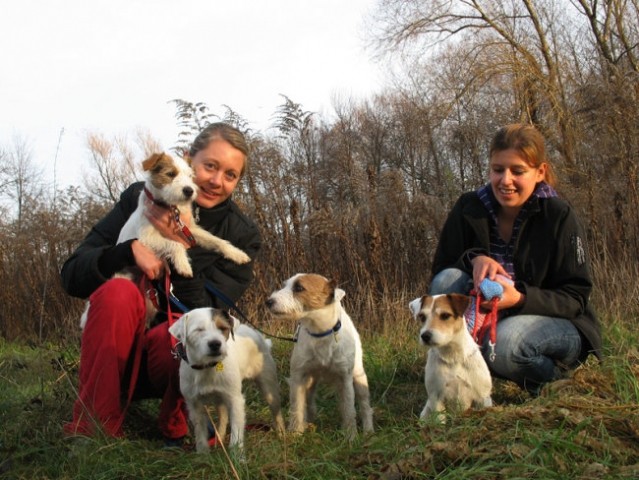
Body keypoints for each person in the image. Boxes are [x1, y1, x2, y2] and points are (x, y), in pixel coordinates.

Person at [61, 122, 261, 444]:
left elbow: (209, 321)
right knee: (116, 292)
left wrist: (178, 243)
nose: (215, 180)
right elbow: (71, 275)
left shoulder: (241, 236)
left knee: (185, 333)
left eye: (230, 175)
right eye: (209, 166)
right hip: (116, 351)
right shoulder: (138, 199)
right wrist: (127, 251)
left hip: (169, 359)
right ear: (187, 159)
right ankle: (95, 428)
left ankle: (182, 418)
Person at [428, 123, 602, 395]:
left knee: (507, 345)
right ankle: (460, 375)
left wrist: (519, 298)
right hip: (488, 319)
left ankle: (558, 383)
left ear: (540, 172)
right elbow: (440, 273)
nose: (505, 180)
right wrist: (474, 259)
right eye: (498, 169)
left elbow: (575, 297)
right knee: (447, 280)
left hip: (558, 322)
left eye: (518, 171)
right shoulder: (469, 206)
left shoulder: (559, 215)